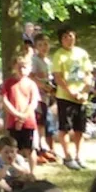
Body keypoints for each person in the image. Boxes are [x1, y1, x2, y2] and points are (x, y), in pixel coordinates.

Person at [50, 25, 92, 170]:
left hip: (81, 97)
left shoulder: (82, 53)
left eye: (71, 36)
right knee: (65, 128)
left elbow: (88, 74)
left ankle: (79, 156)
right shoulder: (59, 55)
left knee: (80, 129)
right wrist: (71, 92)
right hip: (65, 97)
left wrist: (84, 91)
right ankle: (68, 156)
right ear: (61, 40)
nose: (69, 39)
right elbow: (58, 77)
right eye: (65, 37)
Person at [1, 51, 40, 172]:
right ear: (14, 67)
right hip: (13, 122)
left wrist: (23, 117)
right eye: (19, 67)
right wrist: (17, 115)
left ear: (30, 68)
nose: (22, 70)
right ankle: (16, 172)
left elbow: (33, 103)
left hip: (29, 122)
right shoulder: (8, 83)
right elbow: (5, 101)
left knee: (30, 149)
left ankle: (32, 172)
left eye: (25, 67)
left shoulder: (32, 84)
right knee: (13, 148)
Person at [30, 33, 57, 163]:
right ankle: (37, 150)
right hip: (37, 98)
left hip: (46, 98)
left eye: (45, 44)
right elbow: (31, 77)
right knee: (38, 124)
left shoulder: (47, 62)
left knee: (44, 124)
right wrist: (43, 86)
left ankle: (44, 149)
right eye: (40, 45)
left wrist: (51, 88)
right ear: (36, 47)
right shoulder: (34, 61)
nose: (43, 47)